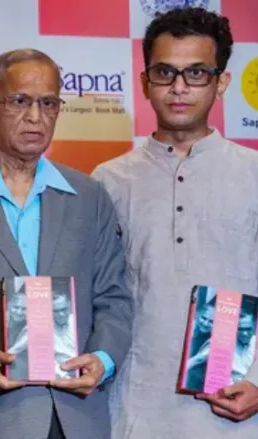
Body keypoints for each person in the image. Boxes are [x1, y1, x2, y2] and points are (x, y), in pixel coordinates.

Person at [0, 48, 133, 439]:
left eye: (48, 103)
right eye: (19, 101)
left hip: (79, 415)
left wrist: (103, 359)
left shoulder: (89, 196)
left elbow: (114, 296)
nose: (35, 116)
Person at [91, 7, 258, 438]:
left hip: (235, 412)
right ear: (145, 82)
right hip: (134, 412)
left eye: (196, 73)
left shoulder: (254, 174)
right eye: (165, 72)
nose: (179, 88)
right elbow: (99, 298)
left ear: (222, 82)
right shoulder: (108, 181)